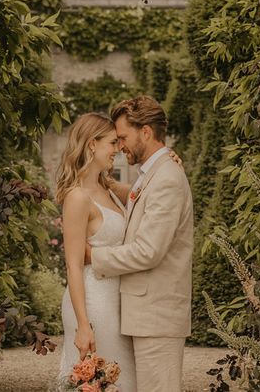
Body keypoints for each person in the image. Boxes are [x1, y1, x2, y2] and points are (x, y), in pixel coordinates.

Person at [89, 96, 193, 392]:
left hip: (157, 317)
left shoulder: (167, 178)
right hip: (147, 314)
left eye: (122, 137)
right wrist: (101, 182)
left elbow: (149, 251)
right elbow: (135, 198)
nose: (120, 146)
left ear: (145, 132)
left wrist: (94, 257)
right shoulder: (155, 173)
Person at [55, 112, 138, 391]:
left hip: (118, 301)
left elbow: (149, 191)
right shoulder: (77, 197)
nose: (118, 149)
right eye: (112, 143)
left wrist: (171, 162)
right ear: (93, 144)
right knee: (99, 380)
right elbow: (74, 265)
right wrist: (83, 324)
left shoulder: (107, 188)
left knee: (124, 379)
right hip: (93, 303)